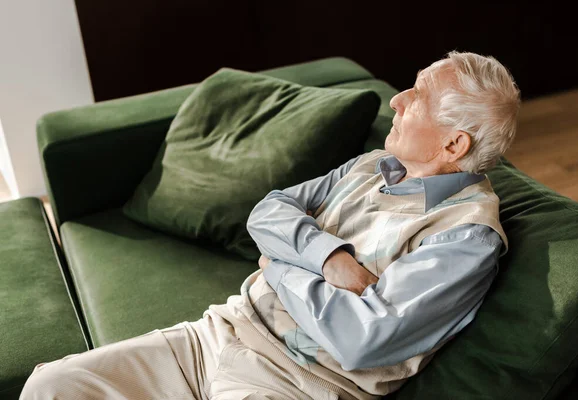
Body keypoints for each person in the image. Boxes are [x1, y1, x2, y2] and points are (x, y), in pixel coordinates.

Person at [20, 51, 520, 400]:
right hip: (217, 333)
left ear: (453, 146)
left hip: (293, 382)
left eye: (417, 98)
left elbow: (360, 338)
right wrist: (329, 259)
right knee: (51, 387)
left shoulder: (465, 237)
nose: (397, 100)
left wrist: (278, 264)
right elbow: (268, 212)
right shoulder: (372, 166)